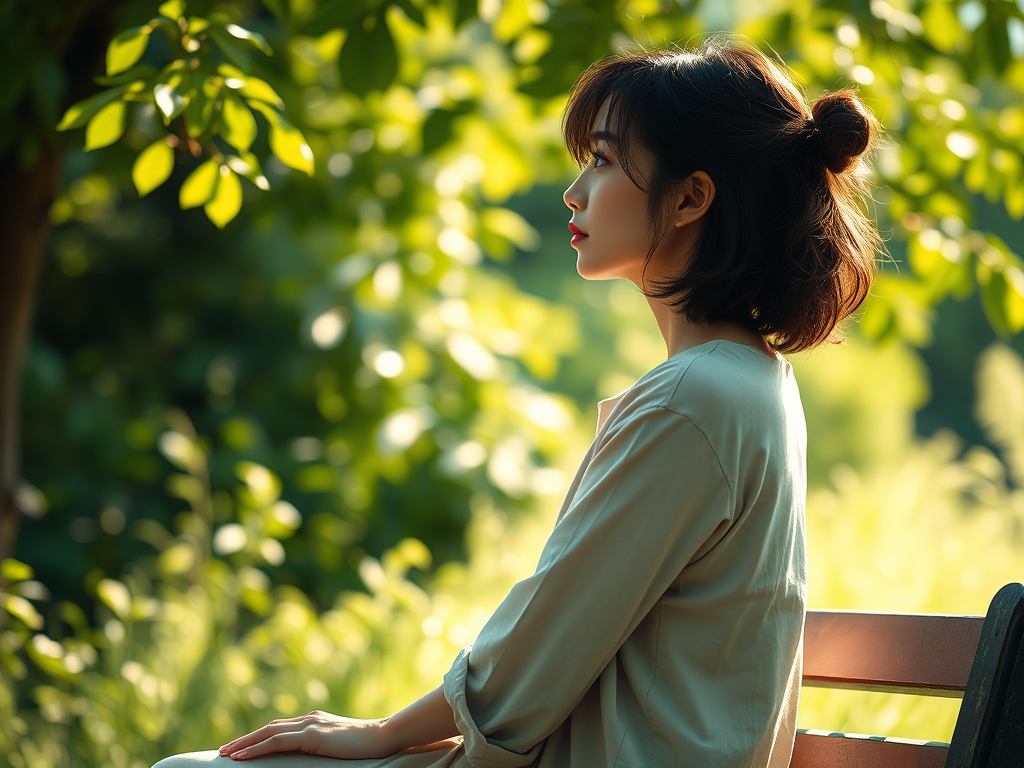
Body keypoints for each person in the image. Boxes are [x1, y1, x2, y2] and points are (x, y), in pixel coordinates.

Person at [155, 34, 880, 768]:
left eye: (602, 160)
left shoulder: (694, 399)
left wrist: (377, 734)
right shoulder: (754, 380)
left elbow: (537, 654)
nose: (575, 192)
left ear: (691, 196)